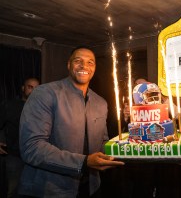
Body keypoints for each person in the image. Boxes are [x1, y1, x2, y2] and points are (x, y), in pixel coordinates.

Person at [18, 46, 124, 197]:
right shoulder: (45, 93)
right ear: (69, 65)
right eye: (78, 60)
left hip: (91, 188)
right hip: (49, 190)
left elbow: (103, 142)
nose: (84, 66)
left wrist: (129, 146)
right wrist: (83, 162)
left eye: (90, 62)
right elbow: (32, 148)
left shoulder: (101, 103)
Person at [0, 78, 39, 198]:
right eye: (30, 87)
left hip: (36, 157)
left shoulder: (43, 108)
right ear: (23, 88)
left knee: (34, 191)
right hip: (14, 156)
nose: (33, 91)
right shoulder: (10, 105)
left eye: (36, 88)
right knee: (14, 190)